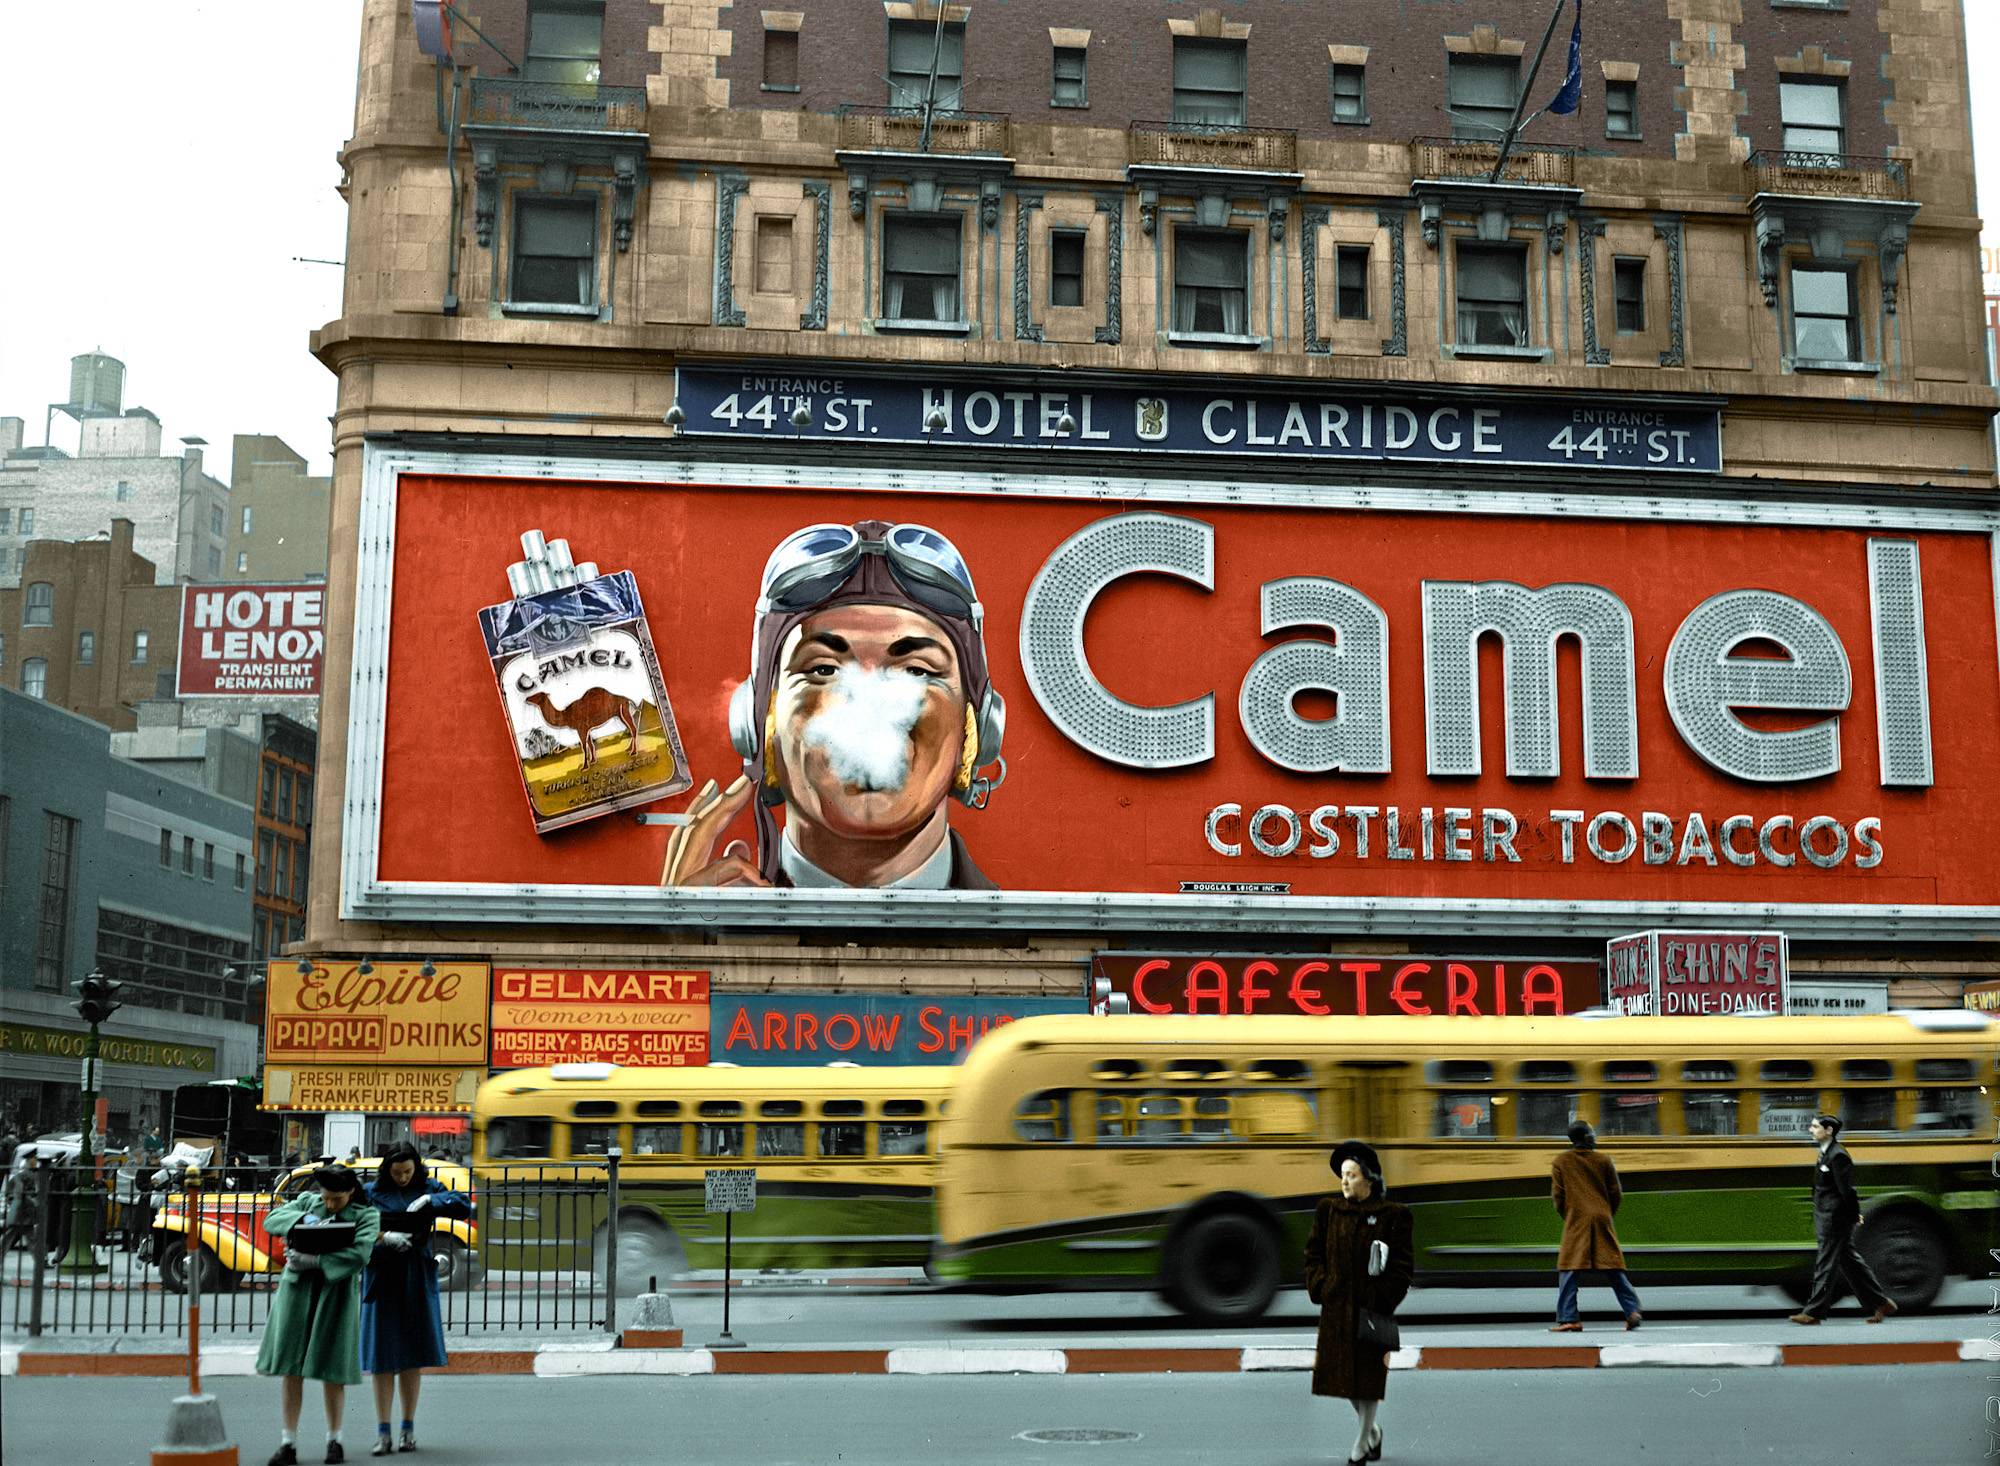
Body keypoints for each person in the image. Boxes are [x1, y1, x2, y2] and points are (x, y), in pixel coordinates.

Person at [661, 520, 1005, 890]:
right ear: (760, 723)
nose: (868, 707)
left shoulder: (1021, 940)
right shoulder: (704, 925)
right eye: (823, 669)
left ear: (976, 730)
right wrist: (674, 936)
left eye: (916, 671)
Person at [256, 1166, 381, 1465]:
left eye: (336, 1199)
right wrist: (303, 1219)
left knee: (333, 1369)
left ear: (351, 1192)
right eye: (325, 1198)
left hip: (334, 1293)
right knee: (291, 1367)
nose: (329, 1204)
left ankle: (334, 1441)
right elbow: (272, 1219)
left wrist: (316, 1260)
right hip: (297, 1292)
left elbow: (360, 1254)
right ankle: (288, 1442)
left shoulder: (367, 1215)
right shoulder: (306, 1203)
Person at [1305, 1139, 1414, 1465]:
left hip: (1371, 1310)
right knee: (1343, 1379)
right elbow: (1313, 1254)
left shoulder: (1394, 1215)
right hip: (1337, 1309)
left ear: (1368, 1178)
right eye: (1342, 1175)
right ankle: (1374, 1432)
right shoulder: (1329, 1210)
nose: (1344, 1181)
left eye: (1351, 1175)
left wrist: (1383, 1299)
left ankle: (1361, 1444)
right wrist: (1321, 1286)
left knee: (1367, 1379)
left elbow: (1402, 1267)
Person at [361, 1144, 472, 1455]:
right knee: (381, 1358)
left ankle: (407, 1430)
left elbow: (463, 1205)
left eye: (408, 1172)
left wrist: (430, 1200)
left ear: (416, 1168)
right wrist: (382, 1237)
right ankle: (383, 1432)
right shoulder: (370, 1191)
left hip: (415, 1273)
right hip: (381, 1273)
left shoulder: (428, 1187)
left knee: (411, 1356)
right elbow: (356, 1225)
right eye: (396, 1173)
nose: (402, 1178)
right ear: (387, 1171)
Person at [1789, 1113, 1896, 1325]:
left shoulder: (1839, 1155)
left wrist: (1855, 1213)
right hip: (1825, 1214)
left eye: (1815, 1127)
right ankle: (1881, 1303)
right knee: (1851, 1263)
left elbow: (1847, 1191)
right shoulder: (1825, 1152)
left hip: (1834, 1218)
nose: (1811, 1130)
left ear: (1829, 1131)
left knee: (1825, 1264)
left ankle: (1813, 1313)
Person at [1548, 1120, 1642, 1332]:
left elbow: (1558, 1196)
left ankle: (1569, 1318)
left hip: (1577, 1219)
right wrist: (1606, 1212)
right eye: (1592, 1133)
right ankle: (1632, 1310)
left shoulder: (1561, 1161)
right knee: (1613, 1267)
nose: (1595, 1136)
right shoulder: (1603, 1160)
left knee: (1569, 1269)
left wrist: (1570, 1215)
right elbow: (1616, 1193)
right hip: (1602, 1217)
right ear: (1587, 1137)